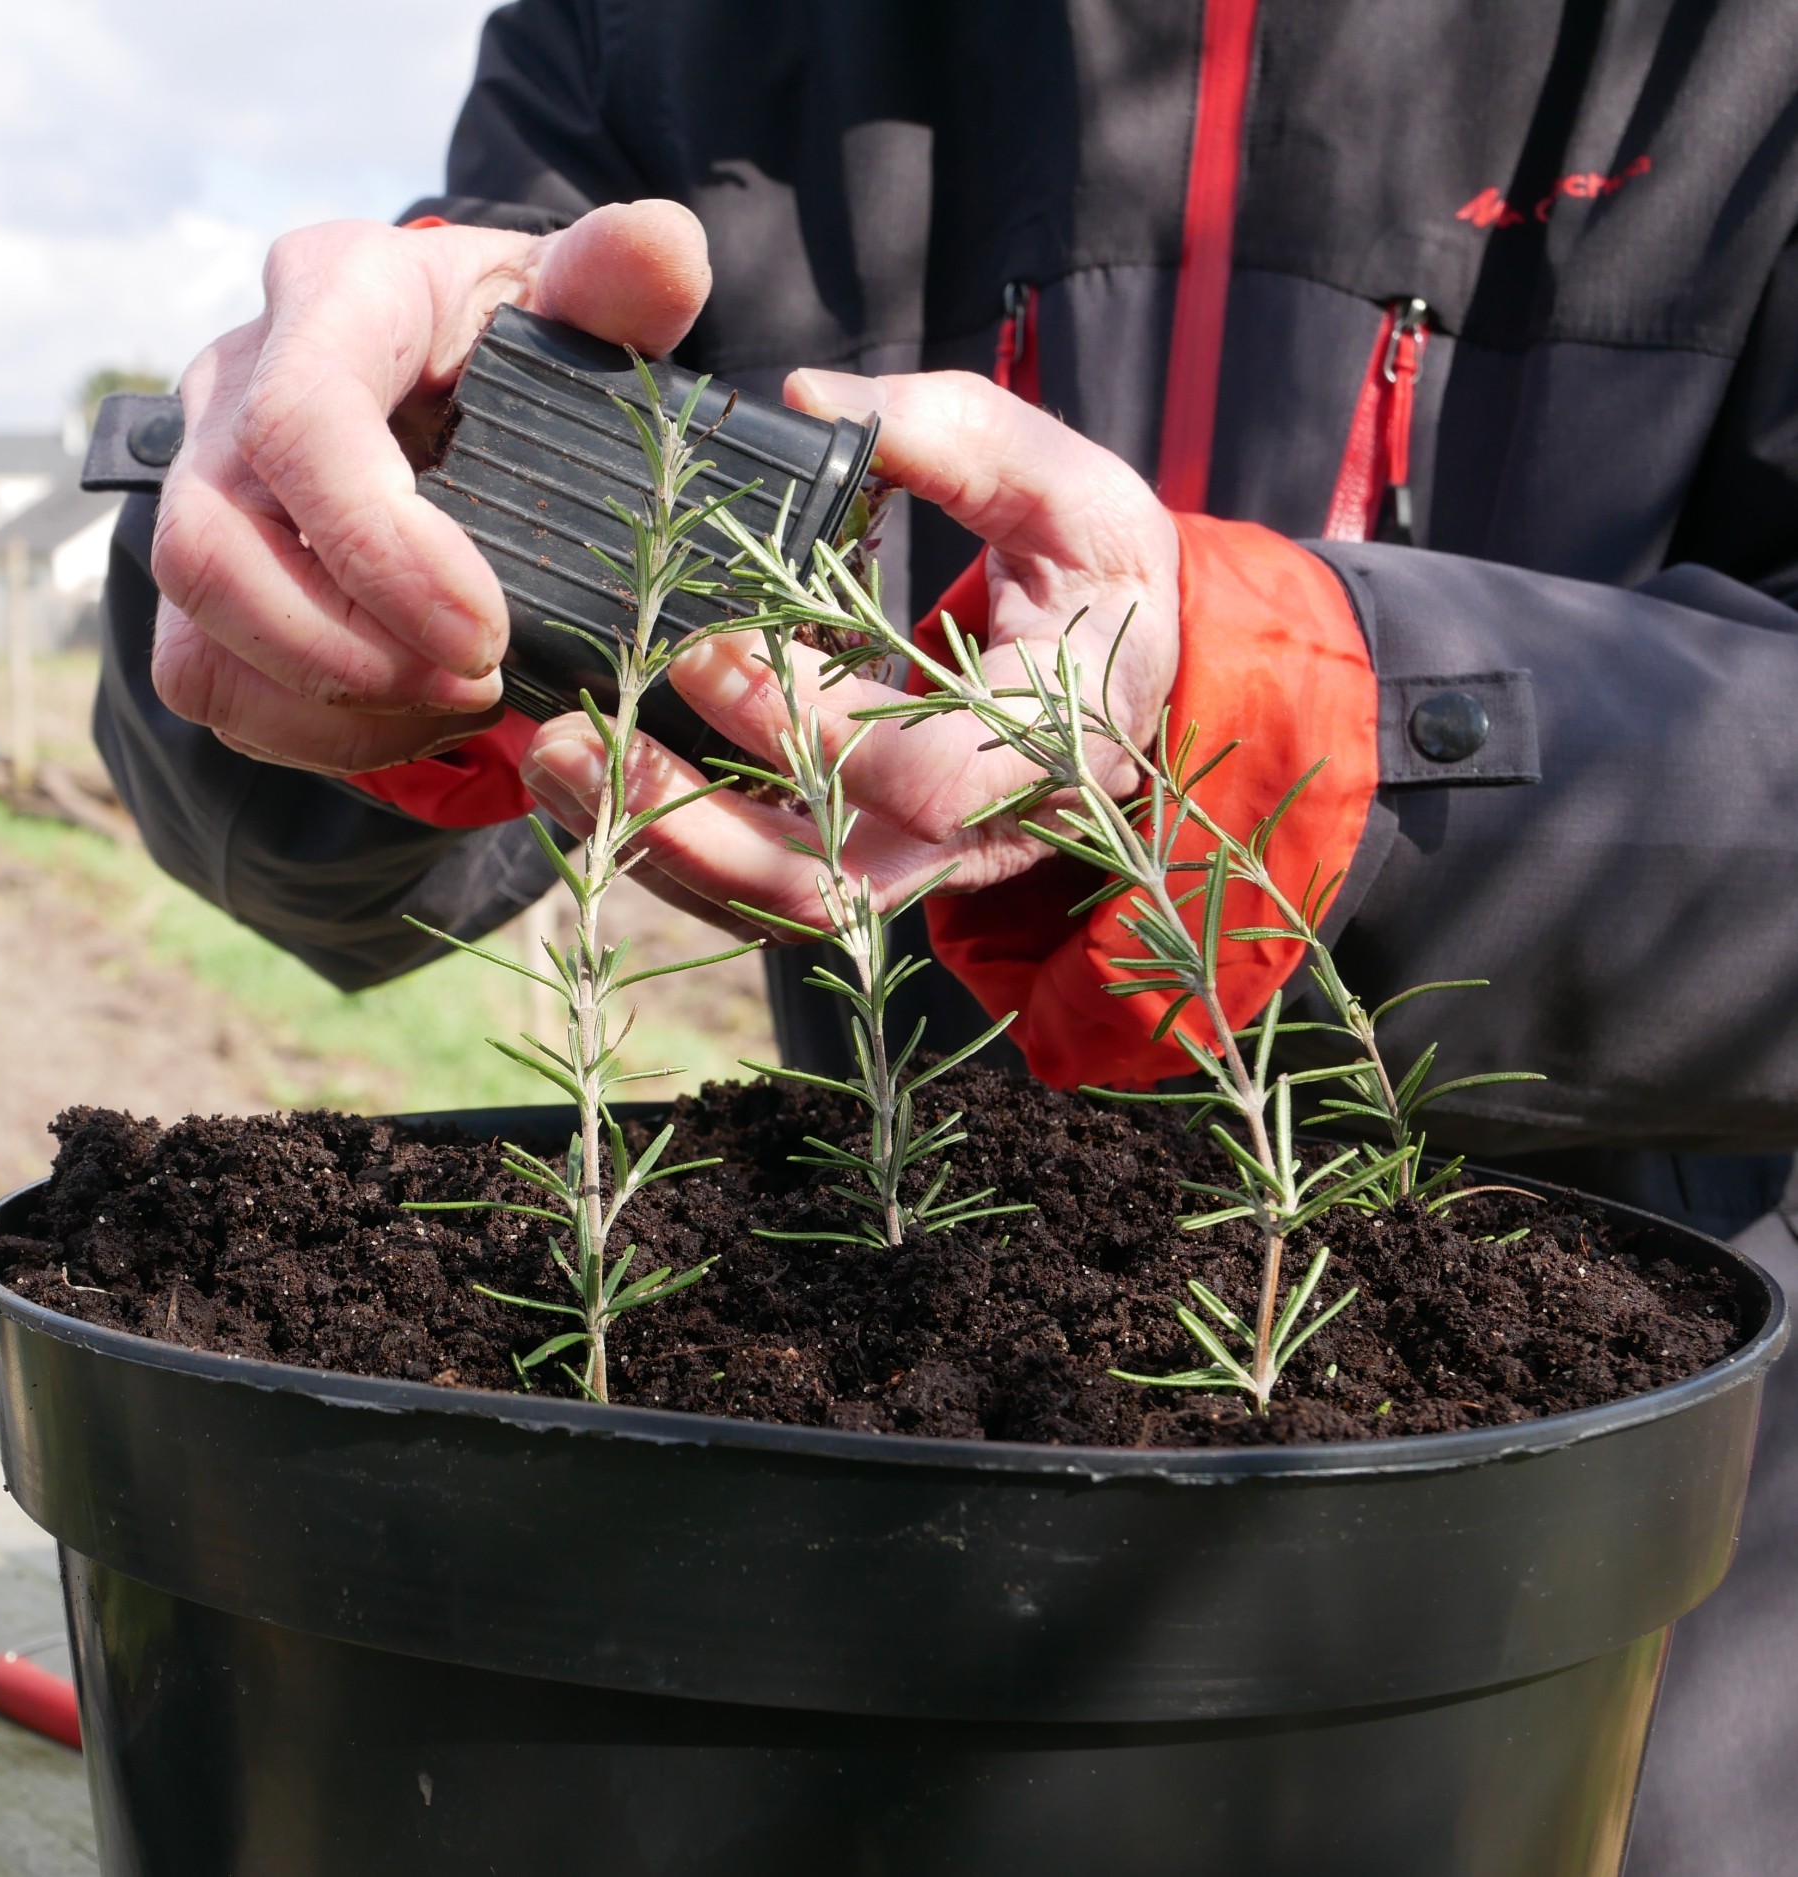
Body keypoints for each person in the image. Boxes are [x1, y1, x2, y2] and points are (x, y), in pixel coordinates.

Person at [89, 8, 1798, 1870]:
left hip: (1625, 1640)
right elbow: (280, 804)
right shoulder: (666, 35)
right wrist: (305, 548)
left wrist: (1289, 725)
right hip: (861, 1558)